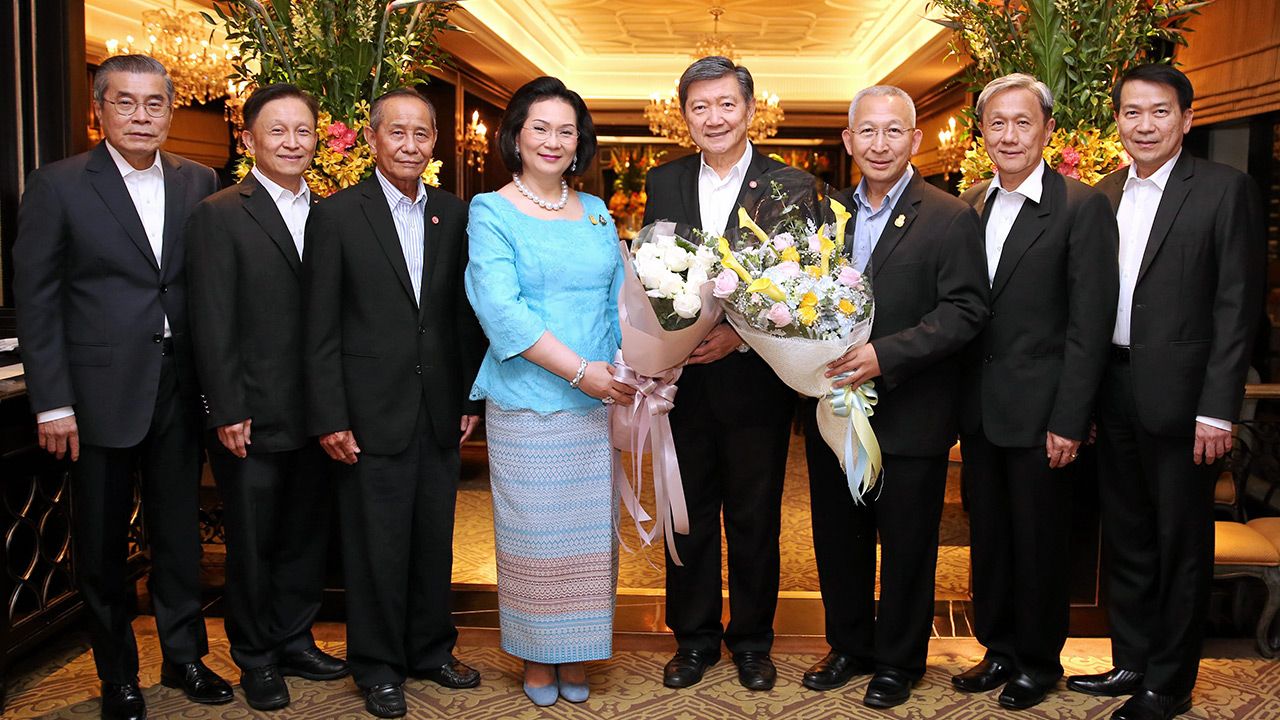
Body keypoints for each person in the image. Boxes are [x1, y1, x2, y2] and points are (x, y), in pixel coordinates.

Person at [13, 54, 229, 720]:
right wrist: (52, 400)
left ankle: (185, 656)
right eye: (126, 103)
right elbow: (38, 300)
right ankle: (117, 674)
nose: (142, 116)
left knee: (179, 535)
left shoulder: (202, 182)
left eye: (155, 103)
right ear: (98, 110)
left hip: (177, 386)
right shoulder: (57, 185)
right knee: (102, 545)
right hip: (95, 393)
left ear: (171, 109)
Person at [1066, 64, 1264, 720]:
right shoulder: (1102, 192)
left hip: (1186, 400)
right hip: (1112, 388)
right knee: (1125, 534)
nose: (1143, 125)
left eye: (1158, 112)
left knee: (1181, 542)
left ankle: (1170, 683)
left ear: (1186, 117)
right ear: (1116, 119)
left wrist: (1219, 407)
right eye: (1131, 112)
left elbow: (1237, 308)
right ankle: (1131, 659)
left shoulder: (1223, 189)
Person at [301, 87, 487, 719]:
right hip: (365, 411)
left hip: (438, 407)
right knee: (375, 545)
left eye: (422, 134)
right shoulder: (335, 215)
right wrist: (329, 414)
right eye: (397, 133)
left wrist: (468, 397)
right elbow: (319, 325)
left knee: (434, 539)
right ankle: (377, 665)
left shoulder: (456, 214)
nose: (410, 144)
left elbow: (463, 317)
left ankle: (431, 649)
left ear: (435, 143)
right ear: (373, 138)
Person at [801, 86, 987, 708]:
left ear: (914, 139)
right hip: (832, 409)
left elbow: (966, 310)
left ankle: (899, 660)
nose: (880, 144)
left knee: (907, 543)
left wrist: (888, 354)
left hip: (911, 410)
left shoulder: (950, 215)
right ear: (849, 141)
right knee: (837, 537)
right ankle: (848, 646)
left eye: (894, 131)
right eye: (868, 133)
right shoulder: (822, 215)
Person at [464, 76, 635, 708]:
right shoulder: (491, 210)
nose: (553, 141)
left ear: (579, 142)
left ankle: (578, 648)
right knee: (534, 535)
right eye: (540, 127)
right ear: (516, 135)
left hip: (597, 405)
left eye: (567, 131)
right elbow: (500, 311)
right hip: (529, 401)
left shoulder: (595, 211)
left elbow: (623, 298)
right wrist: (578, 371)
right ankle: (538, 655)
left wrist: (636, 362)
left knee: (589, 535)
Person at [952, 73, 1119, 710]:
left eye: (1024, 122)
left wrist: (1071, 417)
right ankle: (996, 648)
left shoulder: (1080, 206)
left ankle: (1038, 660)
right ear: (982, 132)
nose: (1010, 135)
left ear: (1047, 130)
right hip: (980, 409)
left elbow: (1090, 321)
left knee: (1040, 541)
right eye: (997, 123)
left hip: (1045, 411)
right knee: (989, 536)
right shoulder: (969, 203)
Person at [184, 83, 348, 712]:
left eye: (302, 131)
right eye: (276, 131)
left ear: (318, 139)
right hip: (249, 411)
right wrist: (225, 407)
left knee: (307, 533)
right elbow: (212, 317)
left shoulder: (334, 211)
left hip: (320, 411)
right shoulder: (222, 212)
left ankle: (295, 636)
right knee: (252, 540)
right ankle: (254, 656)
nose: (291, 142)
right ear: (249, 139)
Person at [641, 56, 796, 692]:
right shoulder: (665, 178)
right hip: (681, 382)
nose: (715, 118)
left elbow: (797, 284)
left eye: (726, 105)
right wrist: (666, 342)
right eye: (700, 107)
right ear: (684, 117)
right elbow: (651, 271)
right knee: (689, 511)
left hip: (756, 381)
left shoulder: (791, 185)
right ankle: (695, 637)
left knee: (756, 517)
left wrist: (736, 335)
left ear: (750, 110)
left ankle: (754, 641)